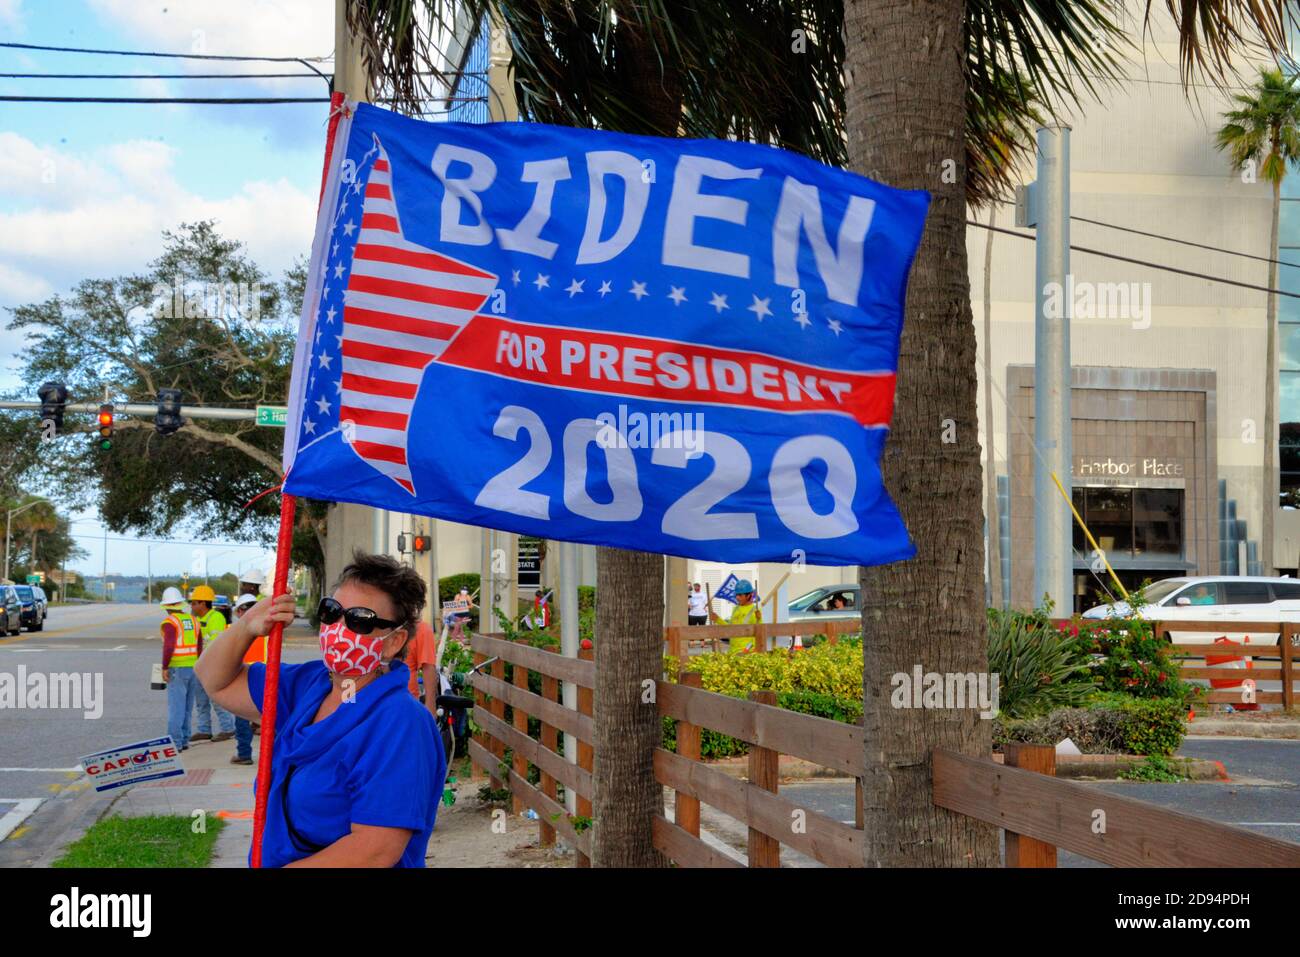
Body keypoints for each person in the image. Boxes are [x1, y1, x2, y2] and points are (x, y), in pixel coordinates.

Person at [196, 551, 446, 868]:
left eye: (358, 619)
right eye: (332, 612)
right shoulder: (307, 685)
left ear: (393, 641)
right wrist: (248, 625)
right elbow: (213, 679)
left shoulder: (401, 723)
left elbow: (374, 851)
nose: (339, 626)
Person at [188, 585, 236, 743]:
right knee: (201, 701)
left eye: (194, 603)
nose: (192, 606)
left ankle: (228, 728)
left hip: (212, 665)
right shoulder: (194, 619)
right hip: (198, 665)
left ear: (203, 603)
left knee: (216, 699)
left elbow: (214, 644)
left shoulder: (215, 618)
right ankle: (204, 730)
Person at [160, 586, 204, 751]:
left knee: (176, 709)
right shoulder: (194, 621)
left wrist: (165, 667)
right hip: (193, 668)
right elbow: (199, 645)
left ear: (167, 606)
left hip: (177, 669)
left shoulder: (170, 623)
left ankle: (175, 744)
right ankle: (184, 740)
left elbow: (169, 646)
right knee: (187, 707)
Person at [230, 593, 261, 766]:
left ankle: (244, 754)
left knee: (242, 718)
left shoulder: (238, 631)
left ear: (242, 611)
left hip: (244, 678)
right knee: (270, 720)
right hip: (265, 678)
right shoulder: (267, 628)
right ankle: (275, 755)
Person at [709, 579, 762, 652]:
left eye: (740, 595)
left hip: (747, 652)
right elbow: (731, 628)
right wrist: (718, 619)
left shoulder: (755, 611)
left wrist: (759, 619)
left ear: (749, 595)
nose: (737, 597)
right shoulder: (735, 609)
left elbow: (760, 633)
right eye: (736, 595)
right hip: (732, 651)